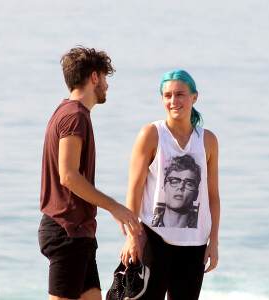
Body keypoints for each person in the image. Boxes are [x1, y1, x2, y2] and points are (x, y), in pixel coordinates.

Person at [38, 46, 142, 300]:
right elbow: (68, 176)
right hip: (67, 230)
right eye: (105, 78)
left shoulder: (70, 112)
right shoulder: (75, 116)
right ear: (94, 77)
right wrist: (114, 207)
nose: (106, 85)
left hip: (79, 233)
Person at [120, 70, 220, 300]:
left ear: (194, 97)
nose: (173, 101)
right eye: (167, 96)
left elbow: (213, 196)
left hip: (195, 243)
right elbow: (134, 190)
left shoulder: (208, 141)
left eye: (180, 94)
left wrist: (213, 241)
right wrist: (131, 237)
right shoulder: (151, 134)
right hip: (154, 238)